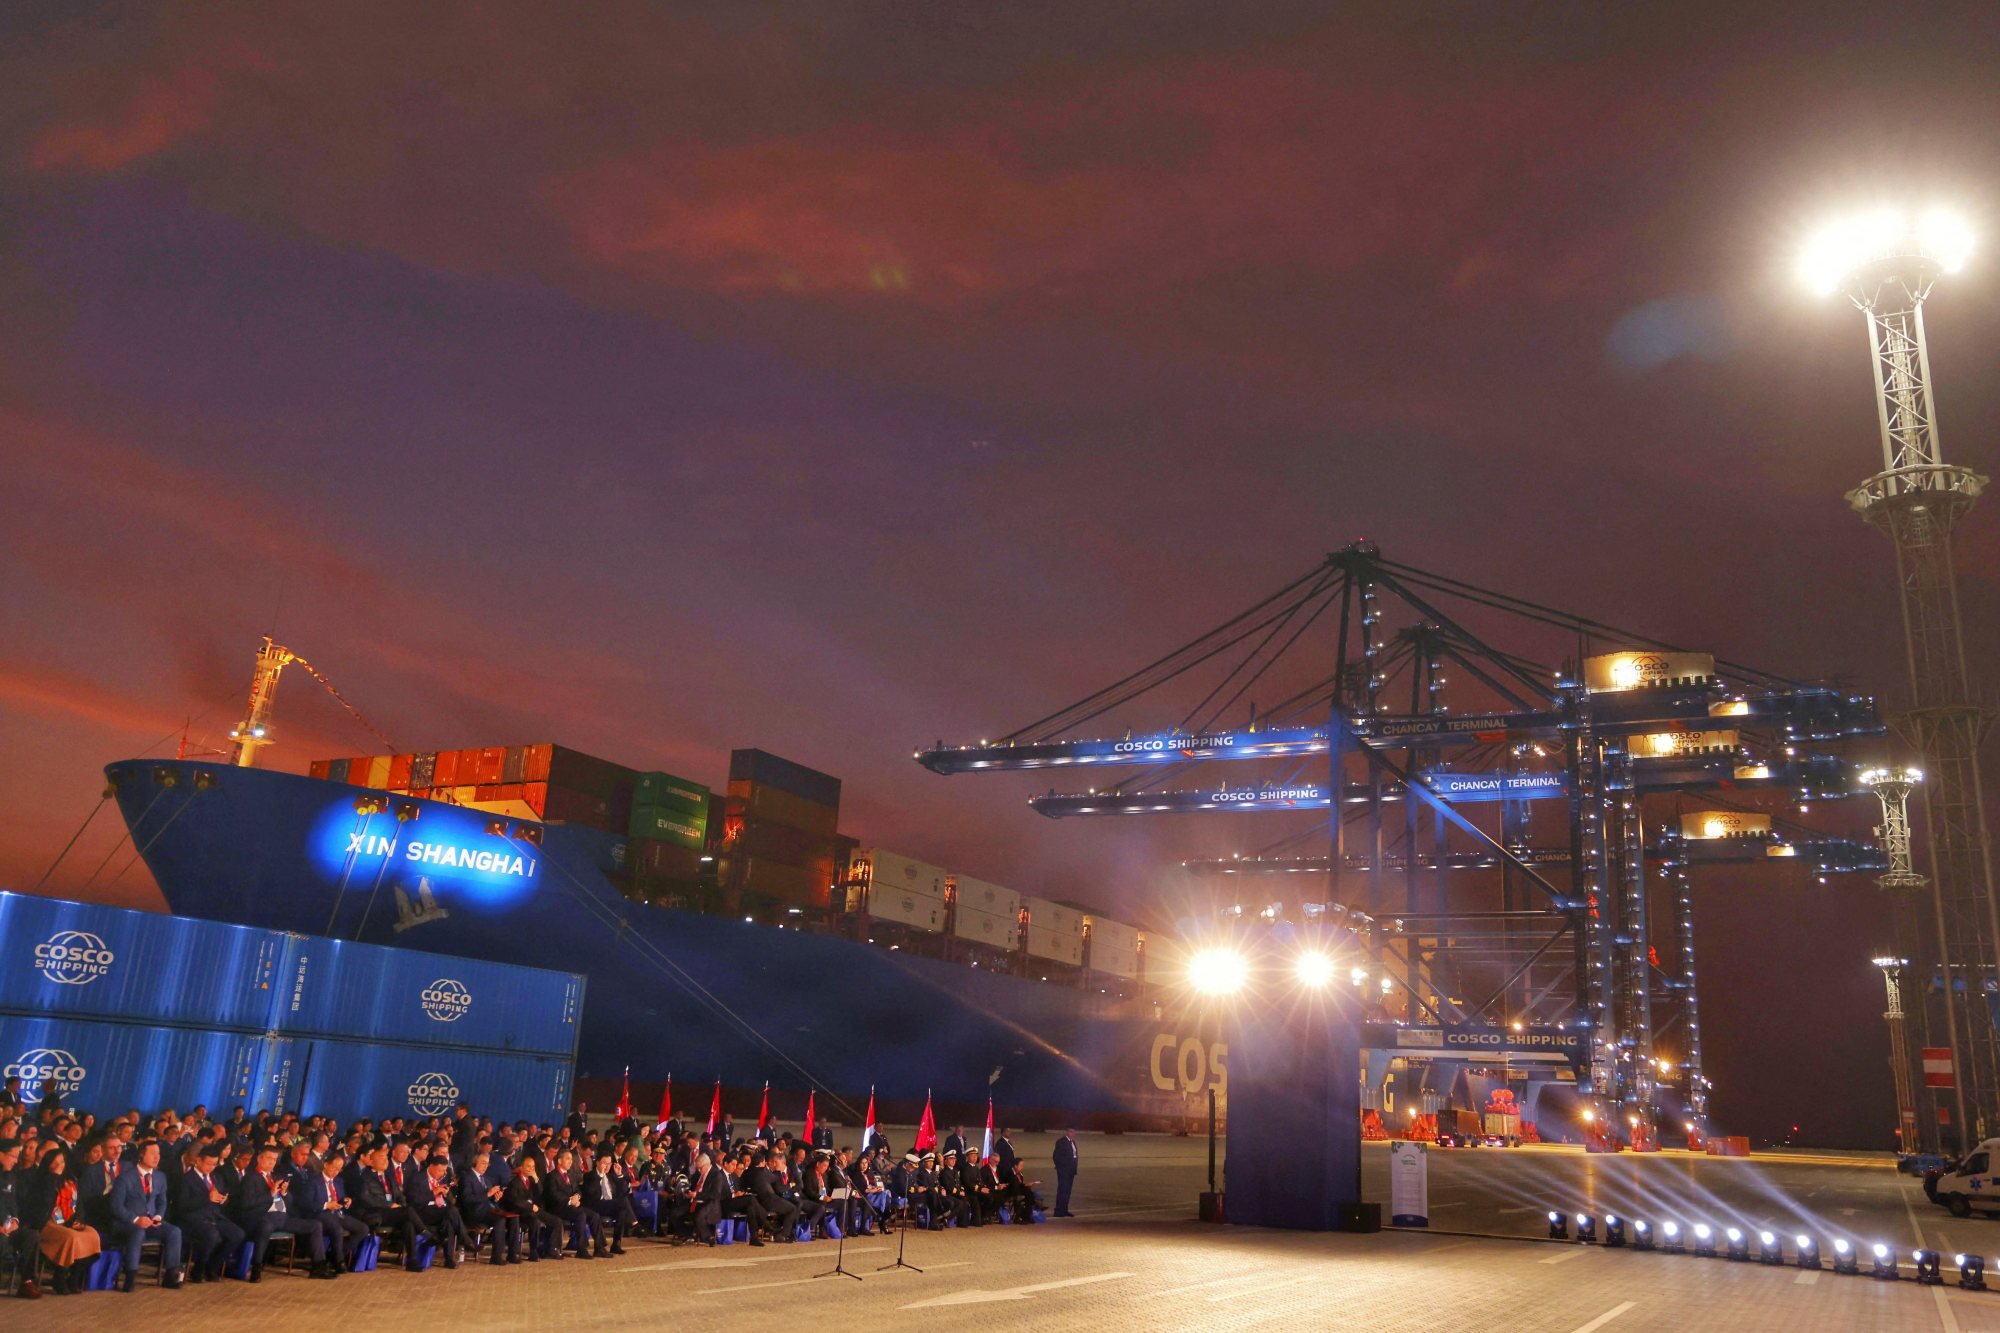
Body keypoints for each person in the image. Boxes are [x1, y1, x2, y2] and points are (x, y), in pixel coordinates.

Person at [228, 1144, 331, 1281]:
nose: (272, 1162)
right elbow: (246, 1204)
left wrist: (284, 1192)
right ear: (259, 1159)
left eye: (275, 1159)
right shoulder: (250, 1178)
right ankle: (256, 1268)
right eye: (269, 1158)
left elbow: (289, 1203)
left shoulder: (276, 1176)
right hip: (260, 1217)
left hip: (282, 1217)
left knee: (315, 1225)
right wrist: (270, 1194)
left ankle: (318, 1266)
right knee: (266, 1226)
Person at [22, 1146, 101, 1295]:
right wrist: (53, 1178)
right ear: (47, 1164)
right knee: (70, 1237)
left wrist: (77, 1220)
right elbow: (45, 1204)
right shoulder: (41, 1182)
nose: (59, 1165)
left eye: (62, 1162)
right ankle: (59, 1276)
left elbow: (78, 1205)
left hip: (68, 1220)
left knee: (92, 1235)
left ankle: (74, 1276)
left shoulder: (70, 1181)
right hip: (46, 1223)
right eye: (55, 1162)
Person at [109, 1139, 185, 1290]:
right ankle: (130, 1277)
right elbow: (116, 1206)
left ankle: (171, 1275)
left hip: (151, 1221)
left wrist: (158, 1217)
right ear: (141, 1155)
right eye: (152, 1154)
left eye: (158, 1154)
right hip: (127, 1222)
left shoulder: (160, 1177)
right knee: (137, 1233)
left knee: (174, 1231)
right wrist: (136, 1219)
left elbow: (162, 1202)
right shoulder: (125, 1177)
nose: (157, 1157)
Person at [172, 1142, 245, 1283]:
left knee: (237, 1234)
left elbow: (220, 1199)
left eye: (214, 1164)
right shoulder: (186, 1179)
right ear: (198, 1160)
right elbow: (182, 1206)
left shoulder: (216, 1177)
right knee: (212, 1235)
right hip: (194, 1219)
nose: (211, 1167)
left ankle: (212, 1266)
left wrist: (223, 1200)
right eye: (209, 1164)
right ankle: (198, 1269)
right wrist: (206, 1197)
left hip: (214, 1216)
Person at [297, 1152, 369, 1273]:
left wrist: (346, 1201)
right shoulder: (313, 1180)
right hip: (319, 1214)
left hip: (337, 1213)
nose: (336, 1171)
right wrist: (326, 1205)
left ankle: (334, 1255)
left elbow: (341, 1198)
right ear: (325, 1164)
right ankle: (339, 1261)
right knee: (337, 1228)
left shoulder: (339, 1181)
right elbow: (306, 1203)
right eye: (334, 1168)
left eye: (339, 1169)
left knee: (363, 1228)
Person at [409, 1156, 471, 1267]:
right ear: (431, 1166)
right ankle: (465, 1238)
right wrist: (433, 1192)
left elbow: (449, 1200)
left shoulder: (444, 1178)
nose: (442, 1173)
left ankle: (449, 1259)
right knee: (450, 1212)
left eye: (444, 1171)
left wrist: (446, 1194)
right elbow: (414, 1200)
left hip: (440, 1210)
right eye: (439, 1170)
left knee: (449, 1220)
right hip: (423, 1211)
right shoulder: (417, 1178)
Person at [0, 1138, 41, 1299]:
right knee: (2, 1241)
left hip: (8, 1225)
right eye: (13, 1156)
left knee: (32, 1236)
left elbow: (13, 1203)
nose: (17, 1160)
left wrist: (15, 1220)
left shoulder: (11, 1176)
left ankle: (26, 1281)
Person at [460, 1149, 516, 1263]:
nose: (486, 1166)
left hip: (489, 1210)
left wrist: (495, 1197)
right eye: (483, 1163)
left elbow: (490, 1198)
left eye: (487, 1163)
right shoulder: (467, 1178)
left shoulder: (486, 1179)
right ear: (475, 1162)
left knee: (514, 1218)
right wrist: (488, 1194)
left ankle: (512, 1254)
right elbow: (467, 1199)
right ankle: (496, 1256)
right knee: (499, 1220)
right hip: (474, 1212)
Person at [542, 1148, 598, 1258]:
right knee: (581, 1215)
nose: (570, 1161)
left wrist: (577, 1197)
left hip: (571, 1207)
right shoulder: (552, 1176)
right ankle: (581, 1249)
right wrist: (569, 1201)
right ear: (559, 1161)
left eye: (571, 1159)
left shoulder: (570, 1175)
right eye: (567, 1159)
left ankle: (600, 1248)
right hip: (557, 1208)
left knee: (594, 1215)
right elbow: (554, 1195)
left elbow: (577, 1190)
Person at [502, 1153, 557, 1260]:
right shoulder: (514, 1182)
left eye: (533, 1167)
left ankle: (547, 1249)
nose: (530, 1169)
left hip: (534, 1209)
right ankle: (534, 1250)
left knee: (555, 1221)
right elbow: (515, 1201)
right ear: (521, 1167)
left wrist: (536, 1179)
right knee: (534, 1221)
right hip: (520, 1211)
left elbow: (541, 1194)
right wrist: (530, 1206)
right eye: (528, 1166)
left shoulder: (532, 1180)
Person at [1053, 1128, 1079, 1217]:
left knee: (1067, 1191)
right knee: (1062, 1190)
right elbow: (1056, 1156)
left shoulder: (1073, 1142)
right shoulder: (1061, 1142)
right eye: (1071, 1131)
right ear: (1067, 1132)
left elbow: (1074, 1156)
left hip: (1071, 1171)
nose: (1073, 1133)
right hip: (1064, 1171)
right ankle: (1058, 1211)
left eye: (1074, 1132)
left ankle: (1064, 1209)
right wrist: (1061, 1168)